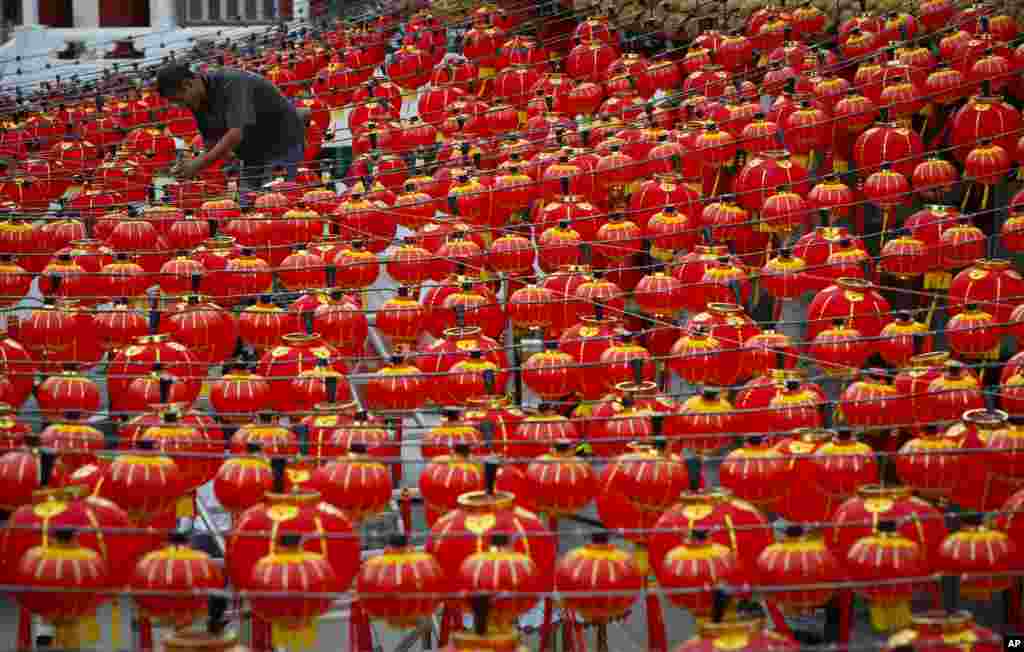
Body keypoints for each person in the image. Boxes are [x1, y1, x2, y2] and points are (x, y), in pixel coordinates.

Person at [155, 63, 311, 191]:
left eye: (178, 100)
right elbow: (211, 143)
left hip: (283, 145)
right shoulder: (196, 100)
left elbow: (235, 134)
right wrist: (189, 164)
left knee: (276, 202)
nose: (180, 106)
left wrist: (198, 164)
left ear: (188, 84)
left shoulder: (232, 83)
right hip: (252, 155)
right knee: (248, 207)